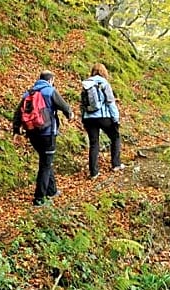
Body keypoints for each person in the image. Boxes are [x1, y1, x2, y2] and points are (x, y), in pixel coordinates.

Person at [12, 70, 74, 207]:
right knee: (45, 165)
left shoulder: (28, 93)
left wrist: (16, 130)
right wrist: (70, 114)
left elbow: (18, 113)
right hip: (47, 133)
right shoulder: (50, 91)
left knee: (46, 161)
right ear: (50, 80)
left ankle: (52, 191)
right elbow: (64, 106)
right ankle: (39, 198)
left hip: (33, 133)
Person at [81, 63, 123, 179]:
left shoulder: (86, 84)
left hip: (88, 118)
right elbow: (110, 102)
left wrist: (83, 117)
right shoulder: (104, 83)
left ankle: (94, 173)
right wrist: (115, 119)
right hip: (103, 117)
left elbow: (83, 104)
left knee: (94, 144)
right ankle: (116, 164)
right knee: (115, 137)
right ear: (104, 72)